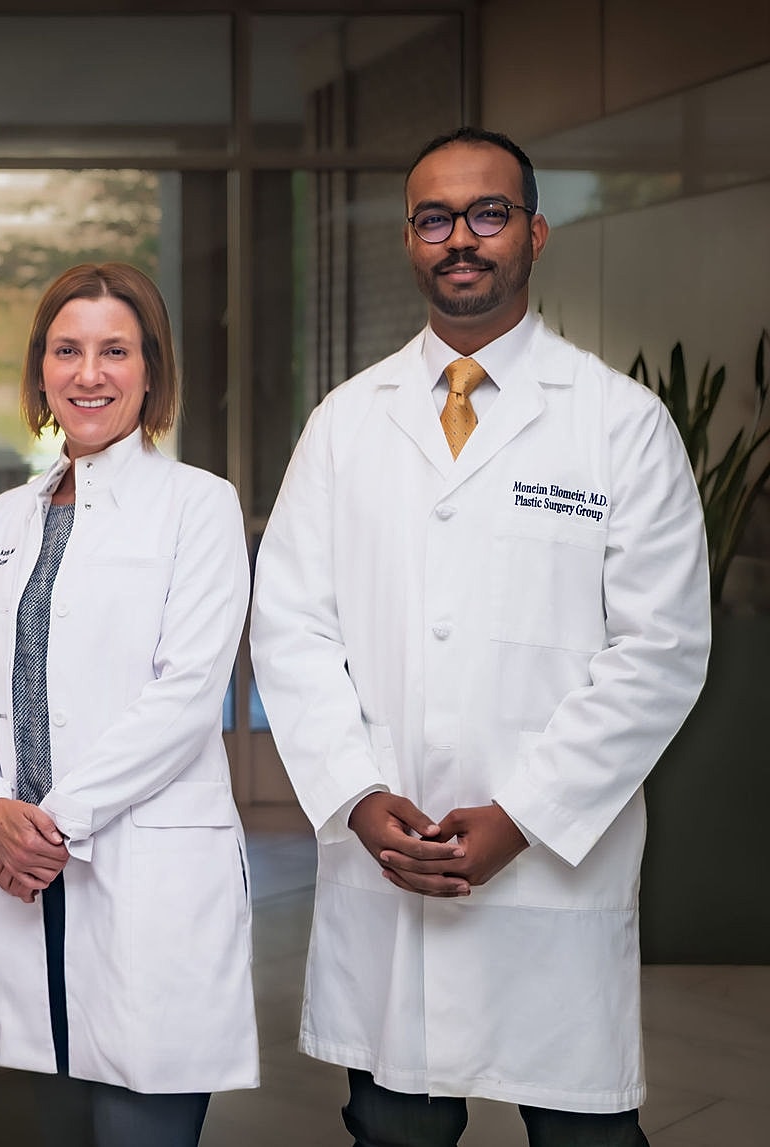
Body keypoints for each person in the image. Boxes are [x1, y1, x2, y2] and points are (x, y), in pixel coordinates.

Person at [251, 127, 711, 1146]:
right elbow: (287, 625)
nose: (459, 237)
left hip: (552, 860)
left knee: (582, 1133)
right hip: (392, 856)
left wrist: (523, 813)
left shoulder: (617, 423)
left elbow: (660, 649)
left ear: (533, 233)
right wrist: (356, 793)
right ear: (410, 243)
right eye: (433, 218)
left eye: (486, 213)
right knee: (392, 1126)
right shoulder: (343, 423)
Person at [0, 263, 257, 1146]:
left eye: (115, 350)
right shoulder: (6, 518)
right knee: (57, 1123)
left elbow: (187, 695)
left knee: (137, 1130)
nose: (89, 373)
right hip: (28, 882)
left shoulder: (198, 507)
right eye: (67, 349)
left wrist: (46, 825)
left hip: (140, 872)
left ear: (150, 369)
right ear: (41, 370)